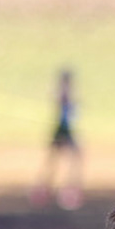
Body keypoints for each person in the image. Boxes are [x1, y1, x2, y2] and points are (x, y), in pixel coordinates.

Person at [32, 68, 84, 210]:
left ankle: (45, 192)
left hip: (64, 130)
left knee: (56, 162)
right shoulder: (64, 93)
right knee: (66, 161)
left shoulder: (64, 93)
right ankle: (64, 193)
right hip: (63, 130)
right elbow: (66, 113)